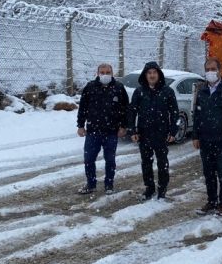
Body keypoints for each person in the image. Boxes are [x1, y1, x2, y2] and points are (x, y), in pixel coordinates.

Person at [192, 58, 222, 217]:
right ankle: (212, 201)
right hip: (206, 140)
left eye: (213, 69)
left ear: (219, 70)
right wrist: (196, 136)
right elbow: (197, 115)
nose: (210, 72)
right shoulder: (202, 91)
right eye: (208, 69)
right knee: (209, 174)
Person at [128, 61, 179, 200]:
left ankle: (162, 189)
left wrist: (173, 132)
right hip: (144, 134)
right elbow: (132, 112)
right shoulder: (139, 91)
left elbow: (174, 112)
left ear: (158, 74)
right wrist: (133, 131)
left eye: (154, 72)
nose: (151, 75)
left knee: (162, 163)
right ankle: (149, 188)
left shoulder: (167, 91)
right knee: (146, 163)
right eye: (149, 73)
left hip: (162, 134)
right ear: (145, 75)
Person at [76, 63, 129, 195]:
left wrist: (123, 126)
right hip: (93, 131)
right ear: (97, 73)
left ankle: (109, 185)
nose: (105, 75)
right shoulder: (90, 87)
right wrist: (80, 125)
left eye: (107, 72)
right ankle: (91, 184)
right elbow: (83, 107)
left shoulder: (118, 88)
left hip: (111, 132)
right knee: (89, 160)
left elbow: (125, 109)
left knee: (110, 160)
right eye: (102, 72)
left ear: (112, 73)